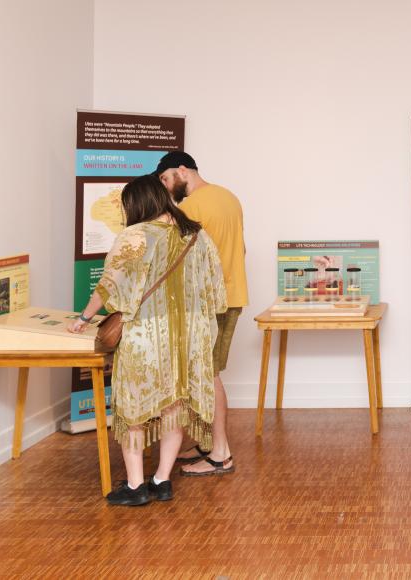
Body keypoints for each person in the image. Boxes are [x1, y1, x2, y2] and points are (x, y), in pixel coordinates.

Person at [68, 174, 227, 505]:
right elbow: (214, 289)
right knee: (174, 407)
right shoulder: (197, 235)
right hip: (187, 338)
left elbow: (109, 286)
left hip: (145, 336)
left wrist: (83, 319)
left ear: (138, 204)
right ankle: (162, 479)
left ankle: (137, 486)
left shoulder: (134, 236)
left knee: (134, 410)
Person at [156, 151, 248, 476]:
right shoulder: (229, 197)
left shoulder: (191, 207)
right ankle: (209, 443)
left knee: (209, 375)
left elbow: (177, 261)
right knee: (209, 373)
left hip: (210, 302)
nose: (167, 188)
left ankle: (220, 454)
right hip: (232, 295)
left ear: (183, 170)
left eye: (167, 179)